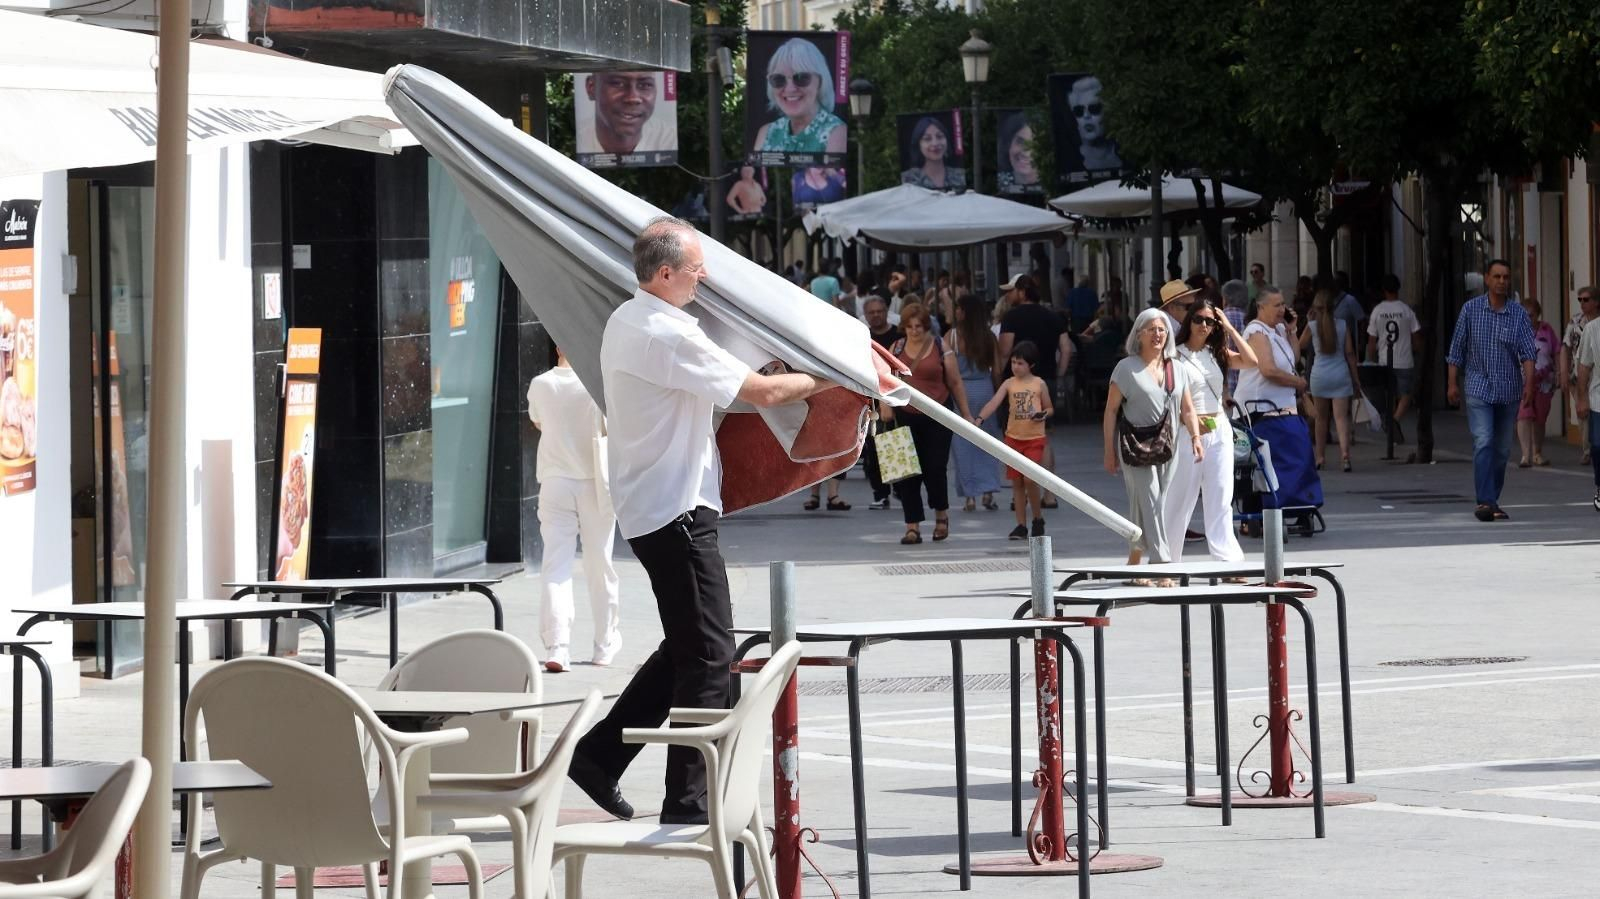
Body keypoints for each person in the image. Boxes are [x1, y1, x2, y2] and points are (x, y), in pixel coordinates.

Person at [570, 217, 832, 825]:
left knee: (689, 646)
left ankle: (601, 755)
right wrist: (834, 378)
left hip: (655, 505)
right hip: (674, 509)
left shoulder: (629, 319)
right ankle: (687, 801)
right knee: (711, 655)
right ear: (665, 274)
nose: (704, 278)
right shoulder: (664, 332)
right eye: (695, 269)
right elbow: (761, 394)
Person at [527, 347, 620, 673]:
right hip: (596, 482)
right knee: (600, 563)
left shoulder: (540, 384)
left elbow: (538, 421)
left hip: (555, 481)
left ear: (555, 348)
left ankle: (558, 646)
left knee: (555, 564)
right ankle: (604, 645)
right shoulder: (596, 384)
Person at [1103, 309, 1203, 577]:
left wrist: (1195, 437)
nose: (1157, 334)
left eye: (1161, 329)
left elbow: (1188, 409)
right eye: (1151, 329)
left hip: (1168, 447)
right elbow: (1111, 411)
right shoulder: (1125, 368)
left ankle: (1135, 558)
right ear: (1139, 334)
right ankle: (1161, 565)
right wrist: (1108, 451)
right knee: (1153, 501)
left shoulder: (1177, 368)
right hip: (1134, 447)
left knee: (1146, 501)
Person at [1164, 300, 1257, 563]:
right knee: (1181, 497)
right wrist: (1190, 426)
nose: (1204, 325)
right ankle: (1167, 559)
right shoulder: (1175, 355)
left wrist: (1228, 326)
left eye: (1210, 321)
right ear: (1189, 322)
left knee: (1221, 495)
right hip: (1187, 430)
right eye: (1199, 319)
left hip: (1219, 429)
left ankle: (1227, 559)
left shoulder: (1215, 352)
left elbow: (1252, 361)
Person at [1446, 259, 1537, 523]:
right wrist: (1452, 383)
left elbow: (1528, 354)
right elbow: (1456, 349)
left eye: (1506, 277)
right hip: (1478, 387)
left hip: (1508, 389)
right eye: (1496, 276)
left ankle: (1492, 498)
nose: (1501, 281)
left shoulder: (1518, 314)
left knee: (1502, 450)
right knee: (1483, 440)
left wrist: (1529, 384)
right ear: (1486, 279)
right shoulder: (1470, 310)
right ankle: (1485, 501)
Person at [882, 303, 973, 543]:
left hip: (937, 414)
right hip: (905, 415)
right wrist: (886, 407)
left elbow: (954, 382)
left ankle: (941, 516)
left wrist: (967, 415)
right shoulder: (897, 347)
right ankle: (912, 526)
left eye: (919, 326)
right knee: (906, 472)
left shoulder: (941, 347)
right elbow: (886, 380)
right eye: (910, 327)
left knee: (935, 468)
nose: (914, 331)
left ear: (926, 326)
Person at [998, 274, 1070, 506]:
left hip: (1018, 385)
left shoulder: (1011, 317)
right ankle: (1049, 495)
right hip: (1045, 379)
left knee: (1016, 437)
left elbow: (1005, 350)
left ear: (1021, 291)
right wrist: (1058, 373)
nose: (1008, 296)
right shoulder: (1053, 317)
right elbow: (1066, 349)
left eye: (1011, 291)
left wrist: (1000, 377)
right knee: (1043, 438)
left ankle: (1019, 495)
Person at [974, 340, 1054, 538]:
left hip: (1034, 438)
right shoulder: (1009, 383)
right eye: (1013, 362)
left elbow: (1050, 408)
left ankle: (1037, 518)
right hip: (1013, 439)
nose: (1016, 367)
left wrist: (1043, 414)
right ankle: (1021, 524)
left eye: (1021, 363)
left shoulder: (1039, 384)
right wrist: (979, 418)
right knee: (1017, 482)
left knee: (1029, 479)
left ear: (1031, 365)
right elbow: (994, 402)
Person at [948, 295, 1005, 512]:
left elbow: (948, 371)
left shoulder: (952, 337)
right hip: (985, 391)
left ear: (963, 311)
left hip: (960, 392)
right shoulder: (989, 337)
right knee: (988, 442)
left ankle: (969, 496)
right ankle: (988, 491)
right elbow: (997, 370)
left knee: (962, 445)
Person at [1300, 288, 1363, 472]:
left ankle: (1320, 457)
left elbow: (1300, 345)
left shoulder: (1313, 327)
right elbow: (1350, 354)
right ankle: (1345, 456)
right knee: (1341, 418)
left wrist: (1308, 321)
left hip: (1319, 375)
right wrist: (1356, 379)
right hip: (1340, 374)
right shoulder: (1343, 325)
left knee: (1321, 419)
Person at [753, 37, 847, 158]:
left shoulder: (837, 133)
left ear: (820, 81)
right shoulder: (767, 133)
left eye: (802, 78)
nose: (790, 89)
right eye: (778, 79)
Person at [1365, 274, 1423, 426]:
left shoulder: (1377, 311)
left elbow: (1372, 341)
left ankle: (1391, 423)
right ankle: (1394, 421)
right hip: (1404, 360)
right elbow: (1416, 337)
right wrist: (1415, 350)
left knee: (1388, 394)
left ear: (1383, 290)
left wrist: (1371, 360)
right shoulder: (1407, 310)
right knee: (1406, 394)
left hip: (1384, 360)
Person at [862, 296, 902, 509]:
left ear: (886, 311)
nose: (876, 315)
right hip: (871, 397)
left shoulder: (898, 334)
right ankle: (881, 492)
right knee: (873, 448)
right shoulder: (862, 337)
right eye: (872, 312)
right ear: (866, 315)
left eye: (879, 311)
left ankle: (899, 488)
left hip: (896, 394)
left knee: (896, 441)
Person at [579, 71, 674, 158]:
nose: (633, 98)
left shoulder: (668, 139)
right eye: (618, 83)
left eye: (645, 85)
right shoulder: (578, 138)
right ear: (591, 87)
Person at [1515, 297, 1560, 468]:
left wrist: (1559, 372)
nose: (1528, 318)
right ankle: (1525, 455)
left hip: (1544, 382)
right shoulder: (1516, 331)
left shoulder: (1547, 330)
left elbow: (1556, 351)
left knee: (1540, 418)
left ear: (1538, 315)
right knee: (1524, 415)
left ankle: (1537, 452)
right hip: (1522, 380)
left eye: (1531, 315)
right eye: (1525, 315)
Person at [1560, 286, 1598, 466]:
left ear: (1596, 302)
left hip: (1596, 377)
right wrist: (1563, 372)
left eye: (1586, 299)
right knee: (1583, 414)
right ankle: (1587, 450)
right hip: (1579, 375)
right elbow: (1565, 347)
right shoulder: (1575, 322)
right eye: (1580, 300)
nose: (1582, 303)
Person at [1062, 75, 1122, 173]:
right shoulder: (1069, 162)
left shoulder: (1127, 155)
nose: (1086, 116)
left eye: (1094, 108)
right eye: (1079, 111)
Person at [1574, 314, 1600, 510]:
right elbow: (1584, 367)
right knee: (1598, 446)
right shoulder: (1592, 329)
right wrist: (1581, 398)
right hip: (1598, 400)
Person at [899, 116, 967, 190]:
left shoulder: (960, 175)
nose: (935, 143)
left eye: (939, 136)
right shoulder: (908, 178)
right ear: (918, 144)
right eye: (927, 139)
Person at [997, 111, 1040, 192]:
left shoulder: (1055, 188)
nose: (1027, 153)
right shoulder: (998, 186)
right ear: (1009, 144)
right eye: (1020, 142)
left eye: (1035, 144)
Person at [1220, 279, 1250, 393]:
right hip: (1247, 383)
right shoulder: (1250, 319)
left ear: (1226, 299)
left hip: (1227, 382)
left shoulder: (1220, 319)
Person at [1332, 272, 1366, 359]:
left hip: (1348, 342)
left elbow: (1362, 321)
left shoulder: (1350, 300)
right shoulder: (1327, 300)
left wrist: (1361, 343)